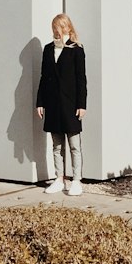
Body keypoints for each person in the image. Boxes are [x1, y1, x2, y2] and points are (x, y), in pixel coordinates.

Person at [35, 13, 87, 195]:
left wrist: (82, 105)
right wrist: (40, 102)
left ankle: (76, 181)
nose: (54, 31)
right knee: (57, 146)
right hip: (53, 104)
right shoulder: (48, 49)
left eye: (56, 27)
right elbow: (44, 77)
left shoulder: (76, 49)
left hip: (71, 104)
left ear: (64, 27)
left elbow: (81, 80)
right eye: (53, 28)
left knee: (74, 145)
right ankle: (59, 179)